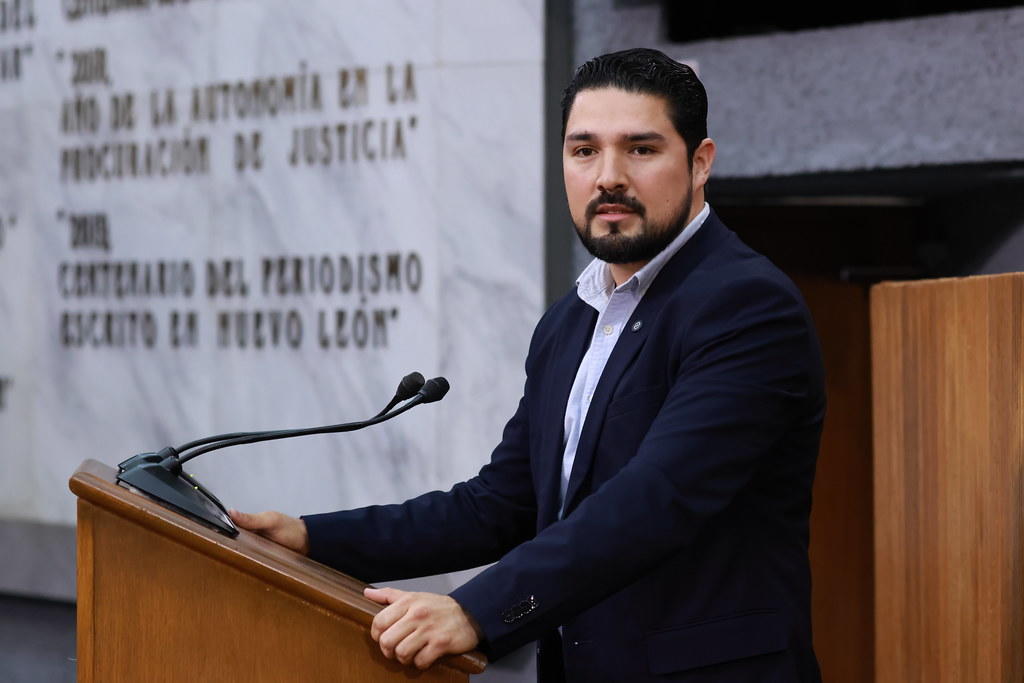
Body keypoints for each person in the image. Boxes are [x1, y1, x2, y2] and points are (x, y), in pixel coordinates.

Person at [231, 48, 825, 683]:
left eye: (641, 149)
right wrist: (311, 538)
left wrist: (478, 611)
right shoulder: (572, 319)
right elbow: (501, 505)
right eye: (584, 150)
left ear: (700, 162)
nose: (609, 177)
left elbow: (657, 498)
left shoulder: (745, 305)